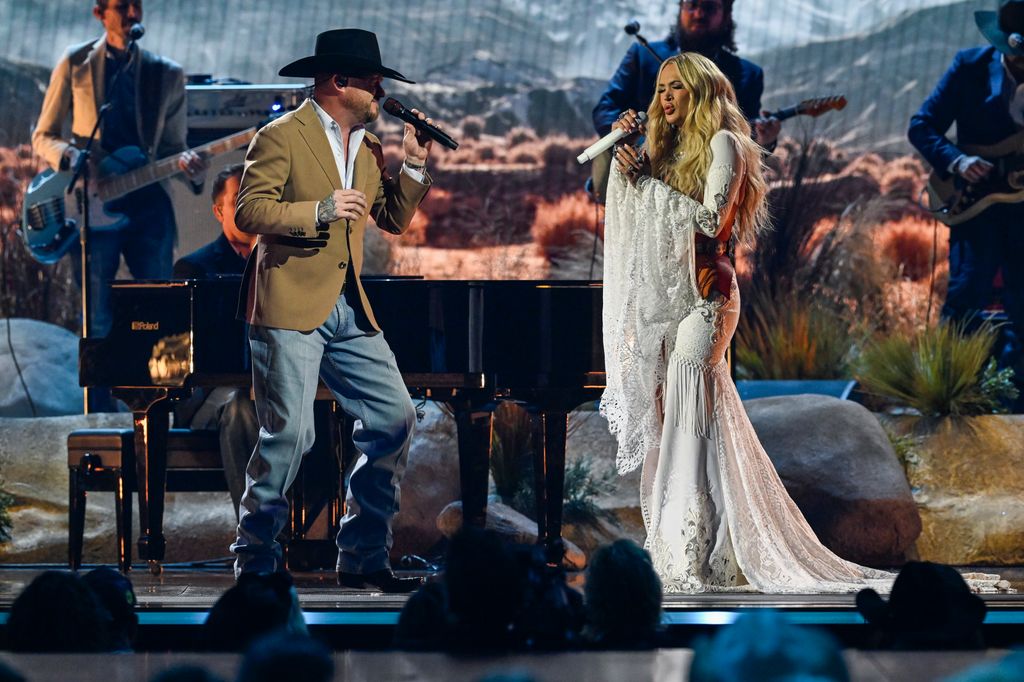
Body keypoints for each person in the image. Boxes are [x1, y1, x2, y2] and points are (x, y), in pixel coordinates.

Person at [600, 53, 1004, 594]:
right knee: (683, 421)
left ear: (700, 91)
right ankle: (707, 546)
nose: (664, 98)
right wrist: (623, 159)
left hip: (706, 301)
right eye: (660, 89)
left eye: (676, 88)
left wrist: (648, 185)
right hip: (667, 304)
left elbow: (708, 220)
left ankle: (687, 554)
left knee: (689, 414)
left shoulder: (725, 144)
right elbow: (608, 193)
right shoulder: (665, 150)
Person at [231, 28, 434, 593]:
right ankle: (256, 559)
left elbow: (391, 219)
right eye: (374, 83)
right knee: (291, 436)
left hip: (348, 306)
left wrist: (414, 166)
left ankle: (364, 554)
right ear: (339, 81)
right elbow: (249, 211)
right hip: (290, 301)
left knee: (394, 417)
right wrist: (317, 210)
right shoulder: (281, 135)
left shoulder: (369, 149)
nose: (381, 93)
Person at [32, 0, 208, 341]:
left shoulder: (167, 73)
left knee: (158, 313)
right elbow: (43, 136)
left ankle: (151, 392)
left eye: (137, 5)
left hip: (149, 207)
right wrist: (71, 155)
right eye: (122, 6)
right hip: (93, 206)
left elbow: (174, 149)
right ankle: (99, 395)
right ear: (99, 13)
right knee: (96, 319)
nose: (132, 14)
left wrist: (194, 171)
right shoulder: (74, 63)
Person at [908, 0, 1024, 360]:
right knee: (966, 295)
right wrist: (958, 161)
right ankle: (953, 390)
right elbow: (922, 126)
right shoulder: (970, 66)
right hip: (974, 205)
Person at [590, 0, 779, 201]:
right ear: (680, 9)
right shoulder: (643, 54)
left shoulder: (748, 75)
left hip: (699, 193)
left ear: (726, 15)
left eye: (709, 7)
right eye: (692, 4)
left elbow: (744, 142)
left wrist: (766, 141)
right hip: (633, 182)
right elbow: (605, 108)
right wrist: (649, 142)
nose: (698, 14)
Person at [173, 163, 259, 516]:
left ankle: (315, 527)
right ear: (218, 210)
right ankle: (257, 532)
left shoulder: (286, 264)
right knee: (243, 405)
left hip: (268, 385)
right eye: (240, 198)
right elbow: (183, 352)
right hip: (209, 393)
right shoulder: (194, 269)